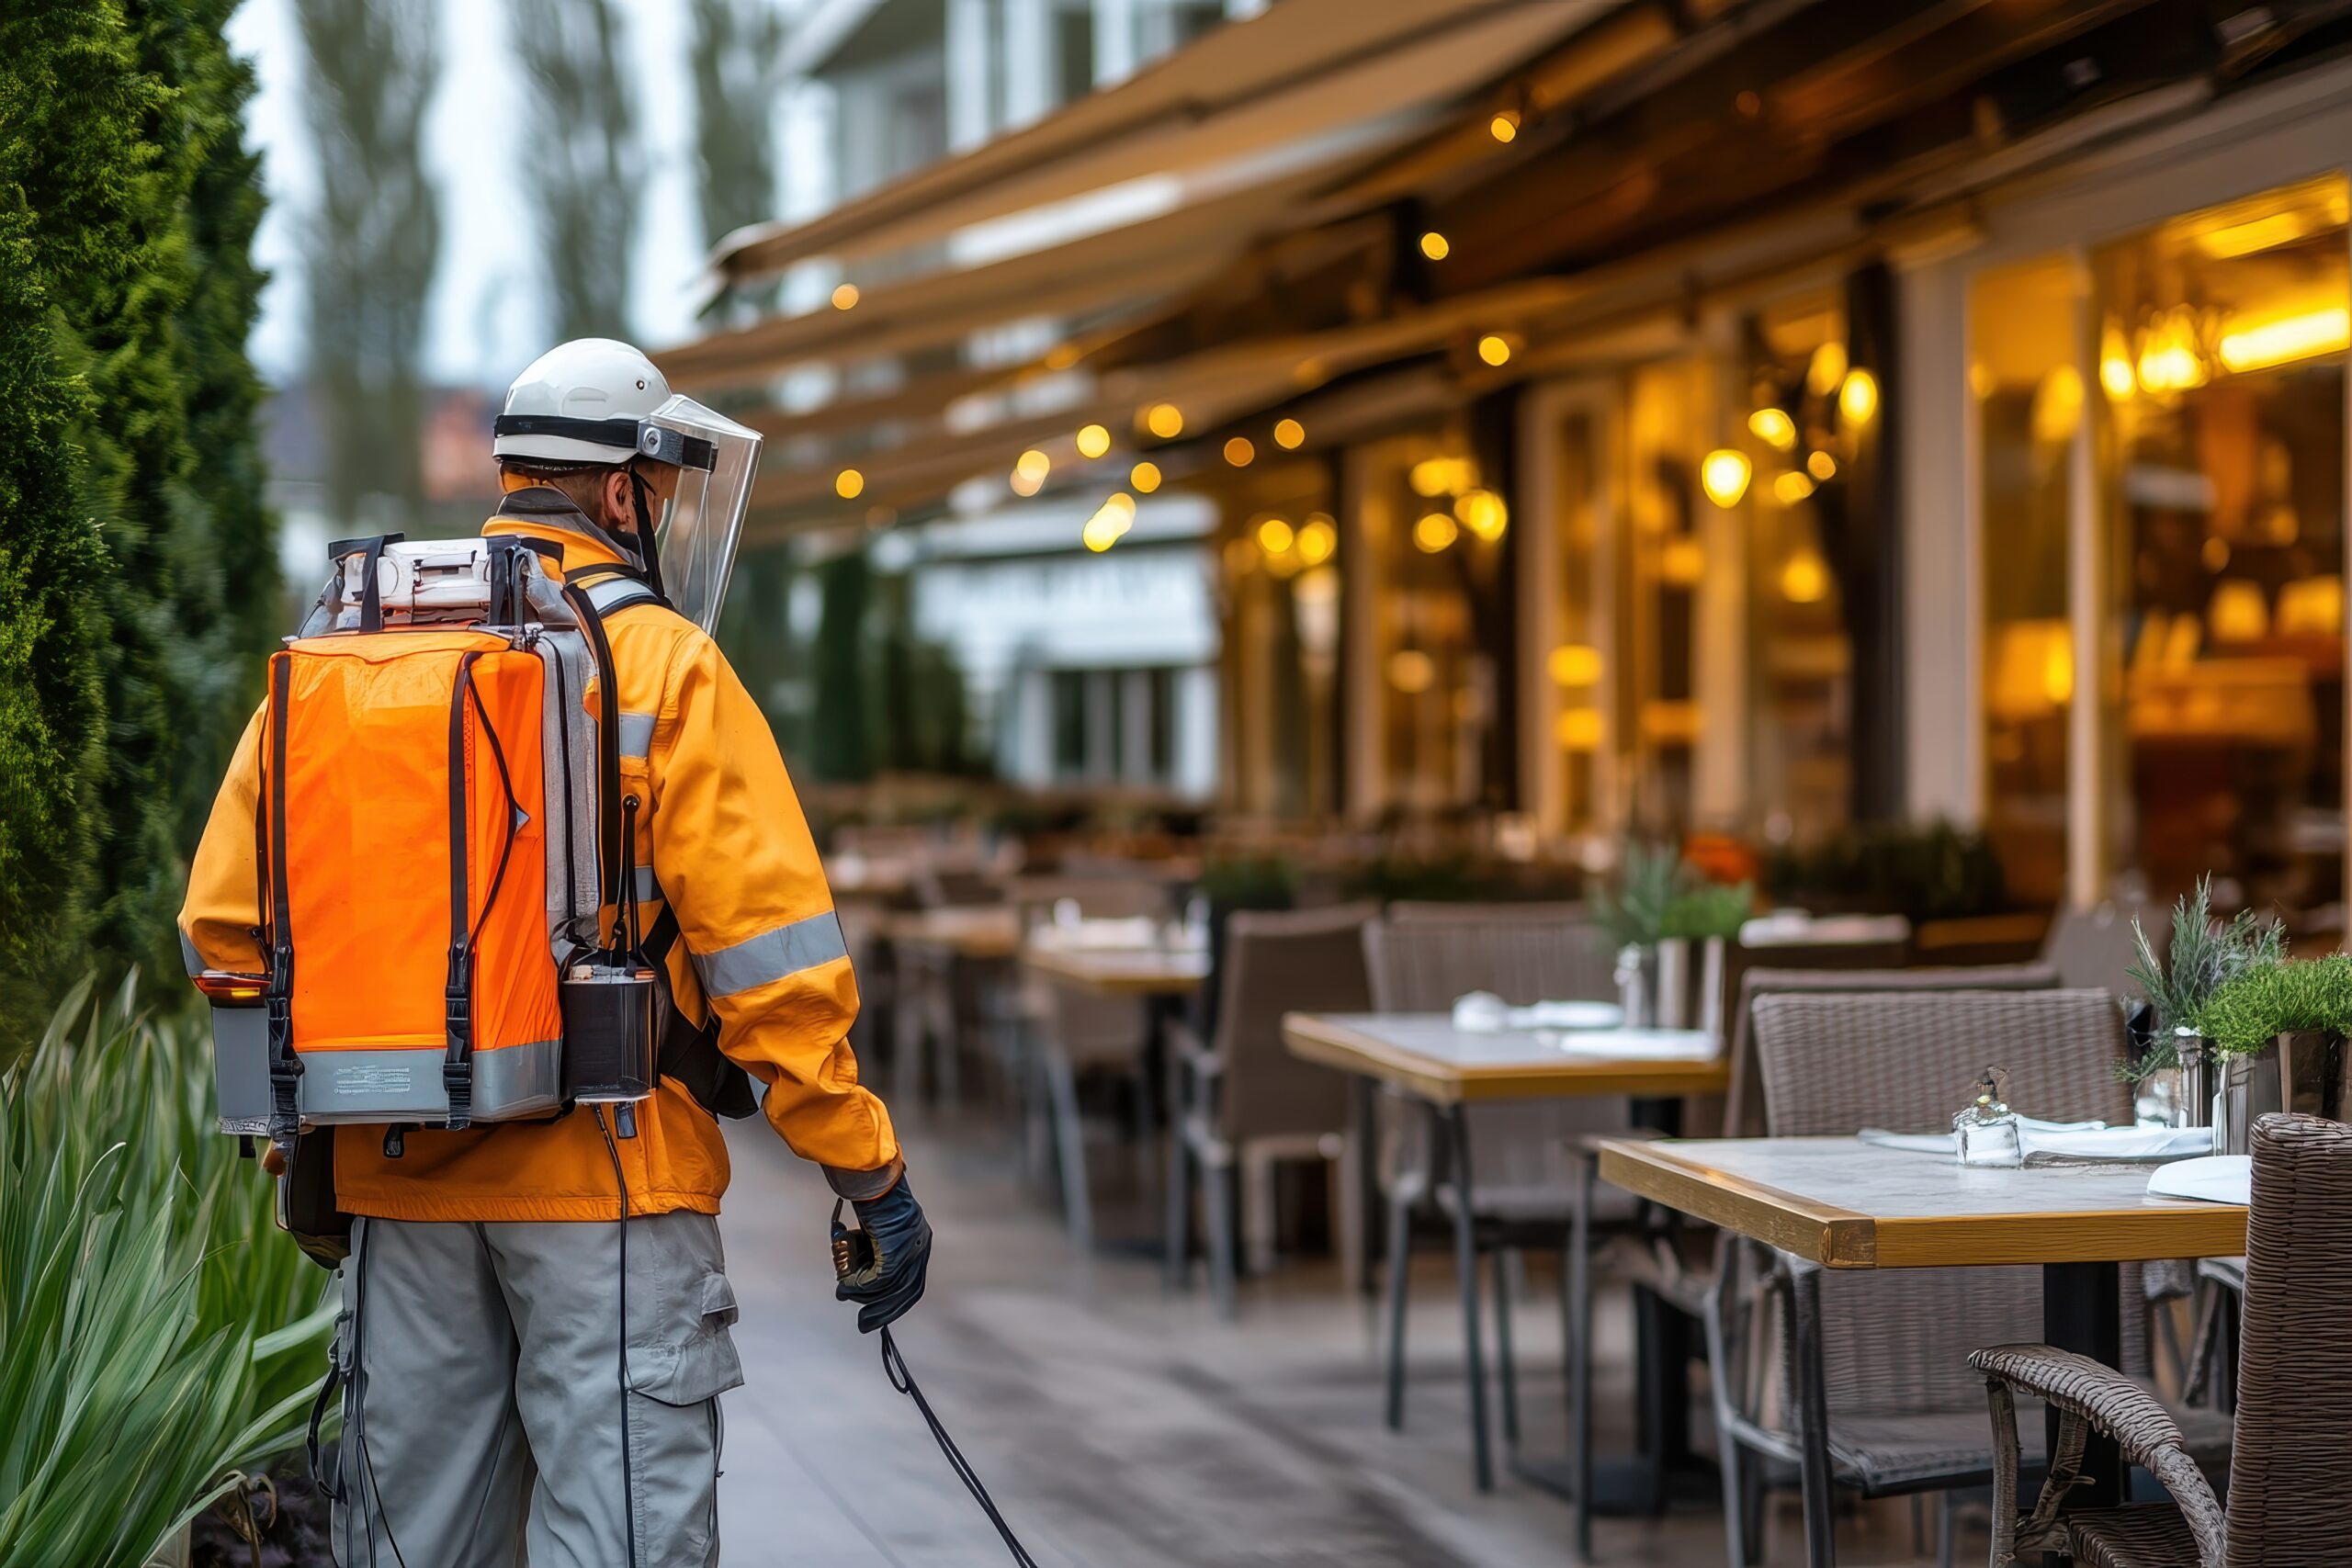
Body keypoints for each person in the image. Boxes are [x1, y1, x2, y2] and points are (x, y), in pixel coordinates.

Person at [178, 337, 929, 1566]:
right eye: (663, 492)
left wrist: (318, 1130)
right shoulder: (667, 665)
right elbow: (772, 967)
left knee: (418, 1548)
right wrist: (868, 1175)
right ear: (624, 492)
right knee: (620, 1540)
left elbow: (227, 927)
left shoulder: (350, 654)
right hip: (613, 1187)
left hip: (397, 1186)